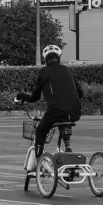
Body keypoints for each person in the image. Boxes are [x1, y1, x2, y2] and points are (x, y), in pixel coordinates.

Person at [15, 44, 83, 172]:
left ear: (45, 59)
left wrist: (21, 96)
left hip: (55, 111)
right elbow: (81, 93)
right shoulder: (68, 70)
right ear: (59, 57)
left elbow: (34, 97)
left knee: (40, 131)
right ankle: (68, 148)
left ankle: (39, 159)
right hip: (75, 112)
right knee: (64, 120)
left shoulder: (44, 72)